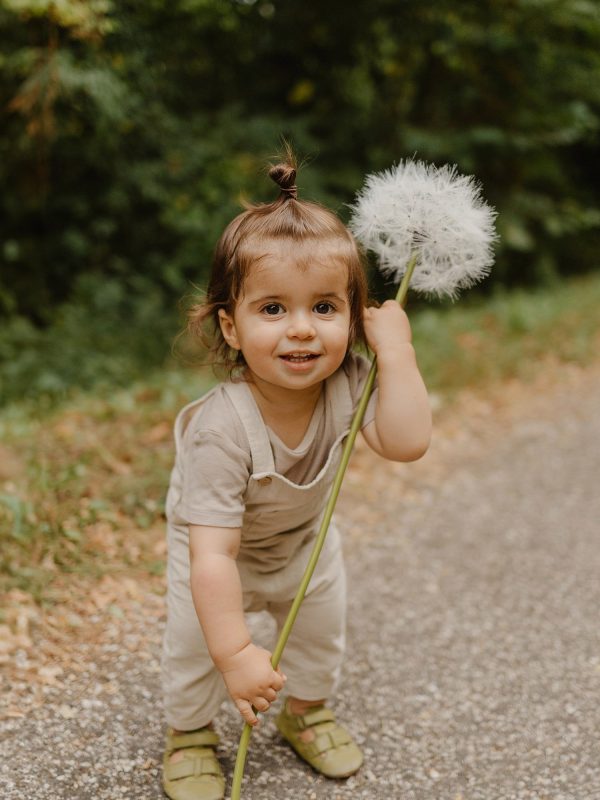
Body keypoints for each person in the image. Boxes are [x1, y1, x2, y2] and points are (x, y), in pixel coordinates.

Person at [161, 151, 432, 800]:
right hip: (216, 555)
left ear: (354, 316)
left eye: (325, 307)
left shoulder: (351, 381)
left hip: (305, 546)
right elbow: (212, 556)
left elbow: (407, 442)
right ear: (231, 325)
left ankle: (305, 712)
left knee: (318, 638)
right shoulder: (220, 430)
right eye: (274, 309)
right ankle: (190, 733)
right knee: (196, 650)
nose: (303, 330)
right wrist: (235, 653)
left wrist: (397, 353)